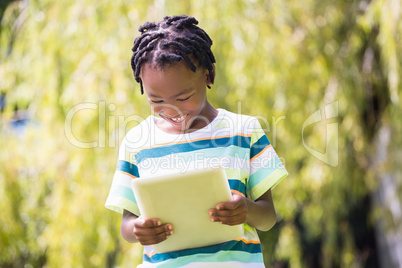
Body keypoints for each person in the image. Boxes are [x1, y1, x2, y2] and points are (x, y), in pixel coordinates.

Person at [105, 15, 288, 267]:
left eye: (183, 98)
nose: (171, 110)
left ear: (208, 75)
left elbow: (268, 217)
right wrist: (138, 229)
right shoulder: (137, 142)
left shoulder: (244, 131)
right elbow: (127, 223)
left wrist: (247, 210)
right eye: (156, 101)